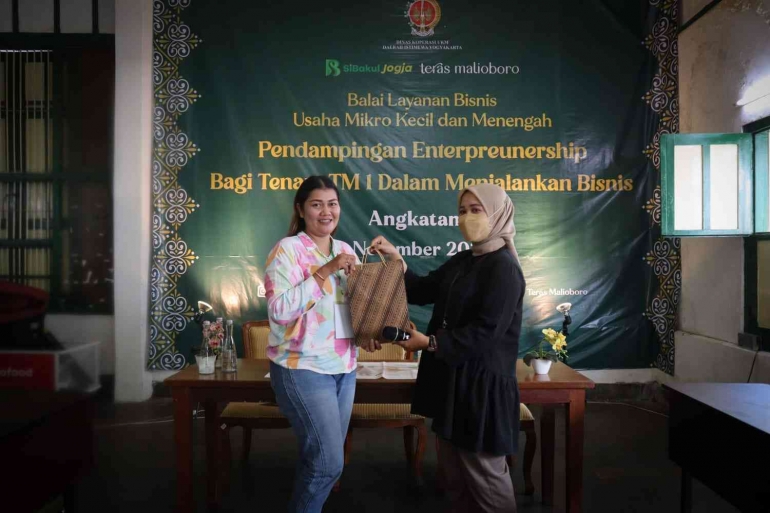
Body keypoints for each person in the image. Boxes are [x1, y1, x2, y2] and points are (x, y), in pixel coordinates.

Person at [370, 183, 524, 513]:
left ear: (498, 214)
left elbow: (486, 333)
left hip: (481, 388)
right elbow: (424, 289)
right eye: (462, 210)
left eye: (476, 210)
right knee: (454, 476)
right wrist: (398, 261)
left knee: (485, 477)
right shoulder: (464, 260)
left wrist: (431, 343)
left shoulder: (504, 268)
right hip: (452, 382)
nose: (467, 217)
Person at [264, 175, 367, 512]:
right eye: (317, 204)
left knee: (320, 459)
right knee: (327, 464)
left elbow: (348, 308)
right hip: (302, 367)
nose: (326, 211)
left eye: (332, 203)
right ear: (301, 209)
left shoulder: (346, 250)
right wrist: (323, 272)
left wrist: (365, 329)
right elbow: (279, 311)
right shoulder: (288, 249)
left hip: (344, 368)